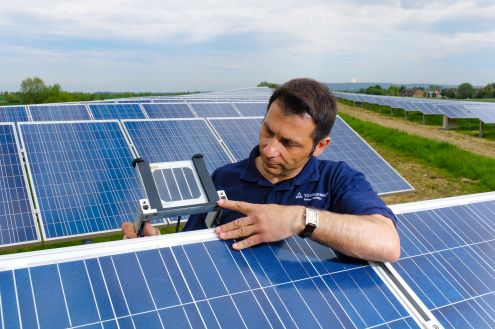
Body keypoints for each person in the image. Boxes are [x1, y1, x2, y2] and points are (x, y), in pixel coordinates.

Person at [122, 78, 400, 262]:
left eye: (288, 143)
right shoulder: (224, 179)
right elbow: (190, 253)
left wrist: (301, 219)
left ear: (320, 146)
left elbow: (387, 242)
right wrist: (152, 249)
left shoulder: (337, 180)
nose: (269, 149)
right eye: (268, 130)